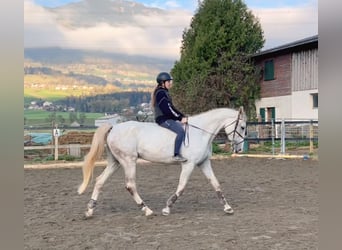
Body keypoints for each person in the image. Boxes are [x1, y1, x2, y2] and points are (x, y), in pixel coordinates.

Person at [151, 72, 188, 162]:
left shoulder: (164, 92)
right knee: (180, 131)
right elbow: (167, 109)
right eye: (168, 82)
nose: (170, 83)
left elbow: (172, 108)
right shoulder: (161, 93)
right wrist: (179, 118)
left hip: (167, 117)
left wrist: (182, 115)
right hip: (163, 119)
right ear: (162, 83)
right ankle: (176, 155)